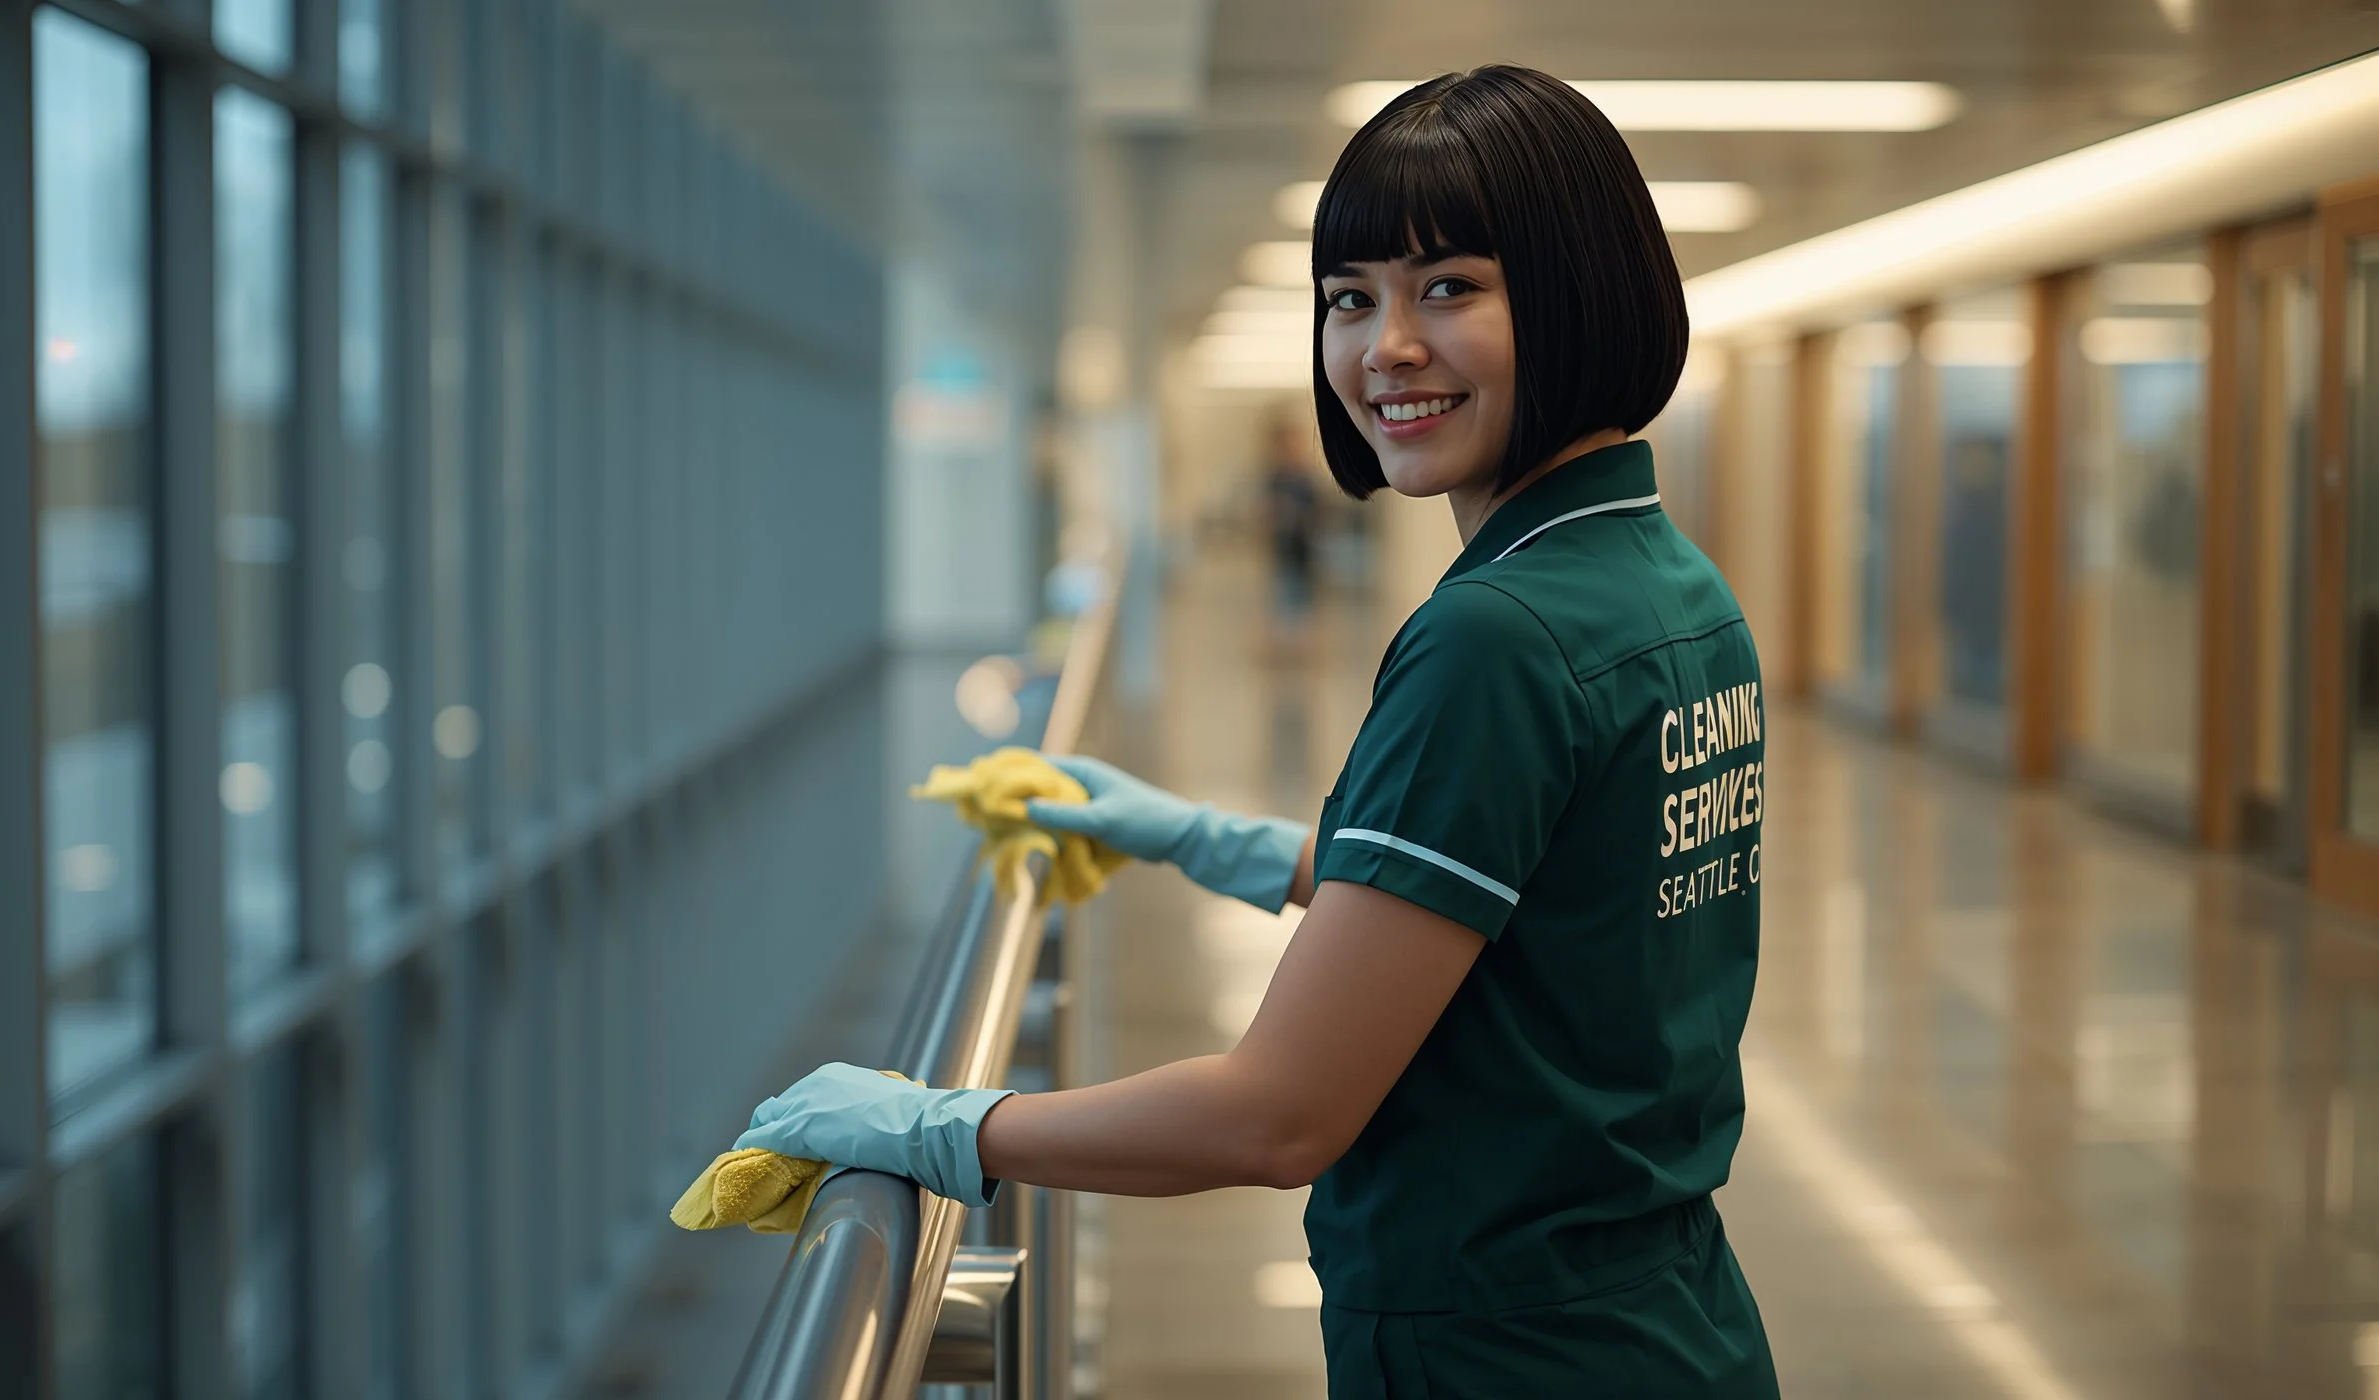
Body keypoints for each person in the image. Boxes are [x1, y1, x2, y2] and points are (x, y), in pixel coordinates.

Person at [731, 66, 1778, 1398]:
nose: (1384, 345)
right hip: (1671, 1321)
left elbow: (1281, 1112)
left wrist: (947, 1126)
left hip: (1507, 1350)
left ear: (1576, 291)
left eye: (1448, 287)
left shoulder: (1500, 635)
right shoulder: (1674, 593)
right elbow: (1525, 912)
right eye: (1351, 298)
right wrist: (1200, 840)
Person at [1263, 418, 1323, 641]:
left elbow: (1319, 514)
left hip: (1304, 548)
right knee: (1283, 594)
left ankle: (1302, 641)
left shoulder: (1306, 481)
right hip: (1282, 548)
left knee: (1303, 598)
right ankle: (1283, 642)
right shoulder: (1275, 479)